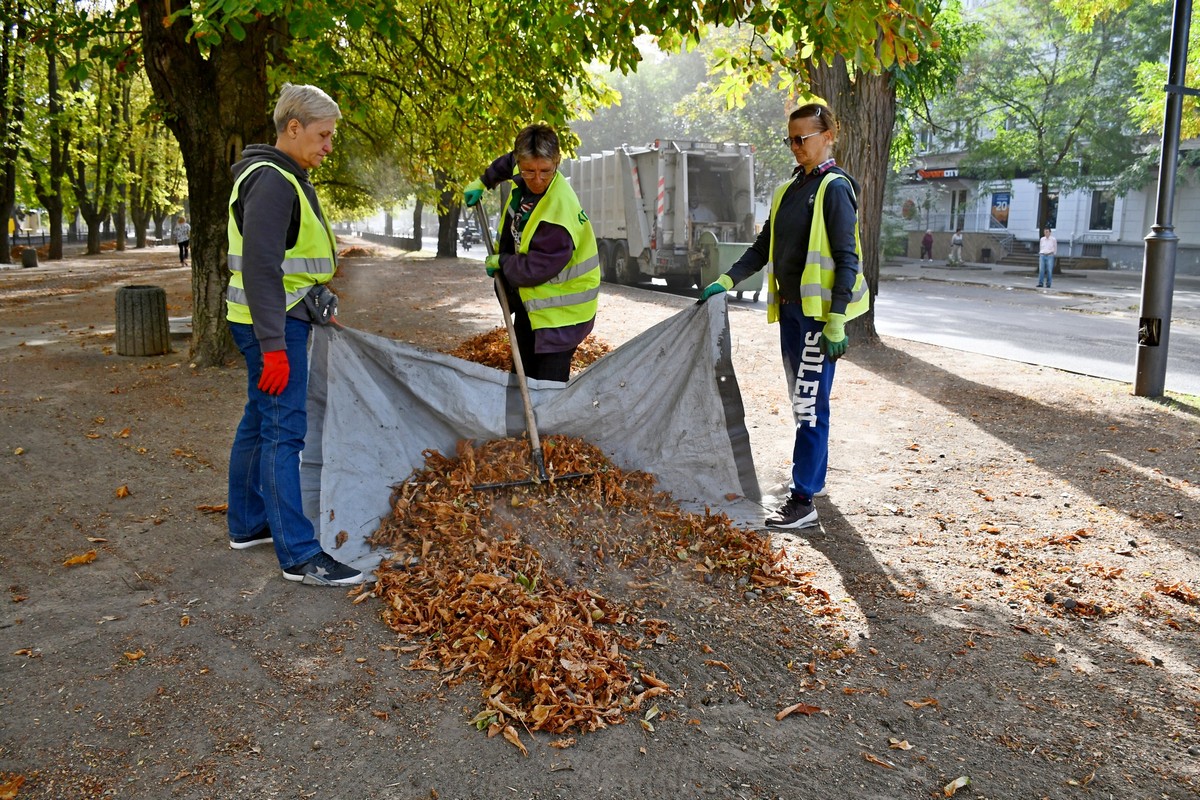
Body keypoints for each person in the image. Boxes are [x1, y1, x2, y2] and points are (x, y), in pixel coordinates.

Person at [700, 103, 868, 530]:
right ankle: (812, 481)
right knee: (804, 401)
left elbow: (847, 259)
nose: (796, 147)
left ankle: (803, 501)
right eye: (790, 139)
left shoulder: (834, 188)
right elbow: (761, 248)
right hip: (792, 313)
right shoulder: (789, 189)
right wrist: (726, 279)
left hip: (817, 318)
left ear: (828, 135)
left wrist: (836, 318)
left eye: (803, 139)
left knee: (810, 405)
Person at [224, 83, 364, 587]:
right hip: (272, 326)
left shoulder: (278, 175)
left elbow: (283, 264)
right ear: (294, 128)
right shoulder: (273, 181)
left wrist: (312, 296)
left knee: (259, 420)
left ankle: (248, 524)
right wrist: (274, 348)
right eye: (324, 135)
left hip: (273, 317)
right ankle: (300, 555)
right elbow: (261, 269)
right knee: (284, 433)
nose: (329, 145)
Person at [462, 124, 600, 383]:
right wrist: (484, 181)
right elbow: (507, 164)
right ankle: (517, 424)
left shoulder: (558, 215)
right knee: (521, 376)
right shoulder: (522, 165)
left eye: (545, 172)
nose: (537, 179)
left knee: (546, 386)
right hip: (534, 302)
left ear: (557, 162)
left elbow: (536, 269)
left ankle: (543, 424)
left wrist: (503, 262)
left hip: (562, 314)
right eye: (529, 171)